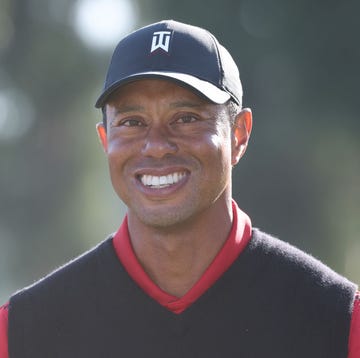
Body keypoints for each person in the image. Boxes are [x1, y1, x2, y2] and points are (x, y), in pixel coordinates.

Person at [0, 19, 359, 357]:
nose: (156, 144)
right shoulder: (23, 333)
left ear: (239, 134)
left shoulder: (338, 322)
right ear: (105, 139)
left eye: (186, 118)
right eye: (132, 122)